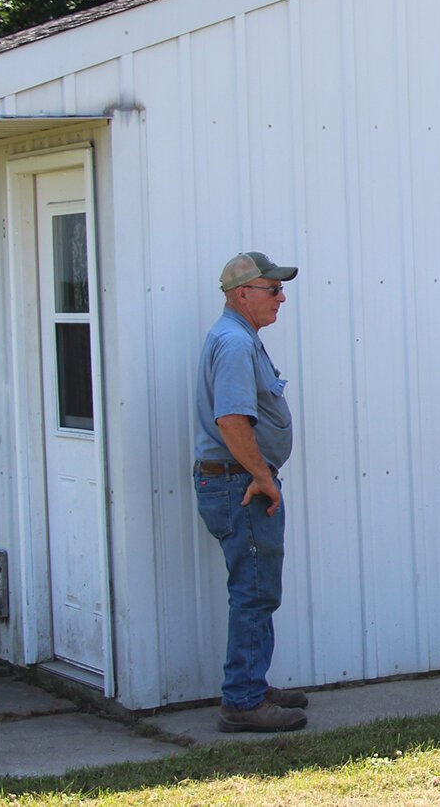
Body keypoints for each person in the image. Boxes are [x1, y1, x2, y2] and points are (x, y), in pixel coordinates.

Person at [194, 251, 309, 733]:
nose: (282, 297)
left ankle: (251, 685)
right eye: (273, 289)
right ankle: (241, 700)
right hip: (239, 485)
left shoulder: (239, 338)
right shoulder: (236, 344)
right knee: (254, 592)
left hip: (235, 481)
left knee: (256, 590)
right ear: (243, 294)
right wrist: (262, 477)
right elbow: (232, 420)